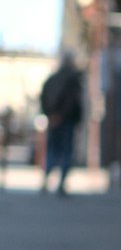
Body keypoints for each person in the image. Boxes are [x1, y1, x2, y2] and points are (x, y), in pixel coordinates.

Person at [40, 53, 83, 195]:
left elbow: (43, 96)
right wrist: (62, 115)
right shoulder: (73, 80)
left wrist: (50, 114)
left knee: (52, 149)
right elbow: (73, 101)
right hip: (66, 120)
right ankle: (61, 182)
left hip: (54, 119)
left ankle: (46, 179)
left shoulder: (52, 79)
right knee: (66, 150)